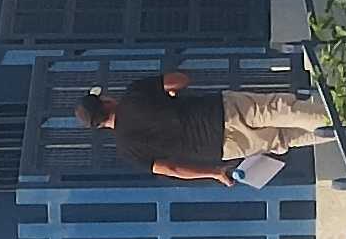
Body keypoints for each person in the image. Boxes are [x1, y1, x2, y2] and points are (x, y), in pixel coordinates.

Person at [79, 72, 331, 183]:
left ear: (100, 125)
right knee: (282, 111)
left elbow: (172, 169)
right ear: (105, 101)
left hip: (222, 147)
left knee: (286, 137)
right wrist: (171, 92)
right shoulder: (134, 93)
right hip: (219, 111)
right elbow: (180, 79)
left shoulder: (127, 150)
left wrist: (214, 173)